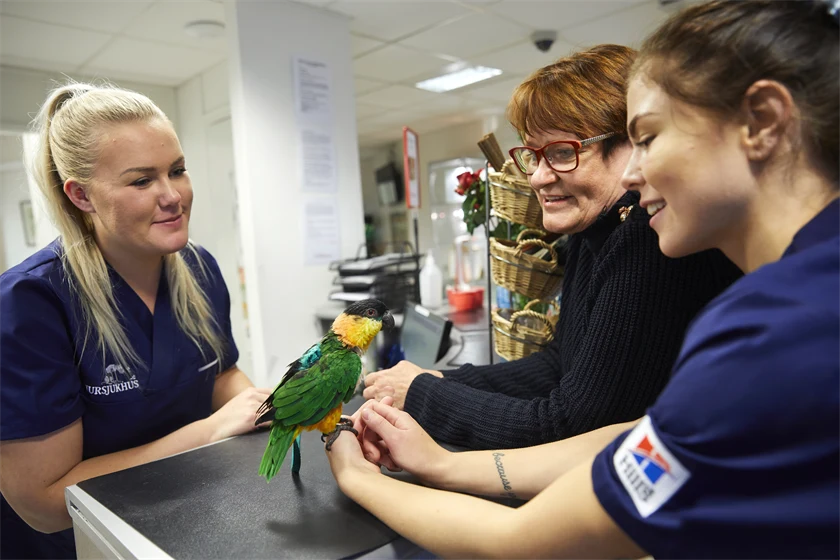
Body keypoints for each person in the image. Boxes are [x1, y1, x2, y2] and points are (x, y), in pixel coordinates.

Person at [327, 1, 840, 558]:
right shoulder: (797, 297)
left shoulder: (770, 332)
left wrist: (359, 476)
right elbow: (636, 436)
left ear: (763, 121)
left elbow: (526, 539)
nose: (634, 173)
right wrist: (446, 461)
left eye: (648, 138)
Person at [363, 44, 741, 450]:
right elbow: (561, 363)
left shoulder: (647, 239)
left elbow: (571, 425)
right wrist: (436, 380)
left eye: (563, 152)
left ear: (630, 144)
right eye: (533, 155)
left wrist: (422, 394)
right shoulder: (591, 230)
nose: (539, 178)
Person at [0, 83, 270, 559]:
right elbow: (43, 503)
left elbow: (218, 373)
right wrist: (209, 432)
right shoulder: (32, 302)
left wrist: (265, 409)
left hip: (191, 517)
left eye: (177, 171)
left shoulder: (199, 269)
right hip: (86, 545)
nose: (173, 196)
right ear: (81, 195)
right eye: (142, 181)